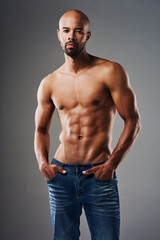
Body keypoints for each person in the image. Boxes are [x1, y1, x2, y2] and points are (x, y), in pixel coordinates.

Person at [34, 9, 141, 240]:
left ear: (87, 36)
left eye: (78, 31)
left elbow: (133, 121)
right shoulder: (49, 83)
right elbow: (41, 130)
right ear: (58, 35)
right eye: (66, 31)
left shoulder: (110, 71)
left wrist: (111, 164)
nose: (71, 36)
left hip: (99, 174)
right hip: (61, 176)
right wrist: (43, 164)